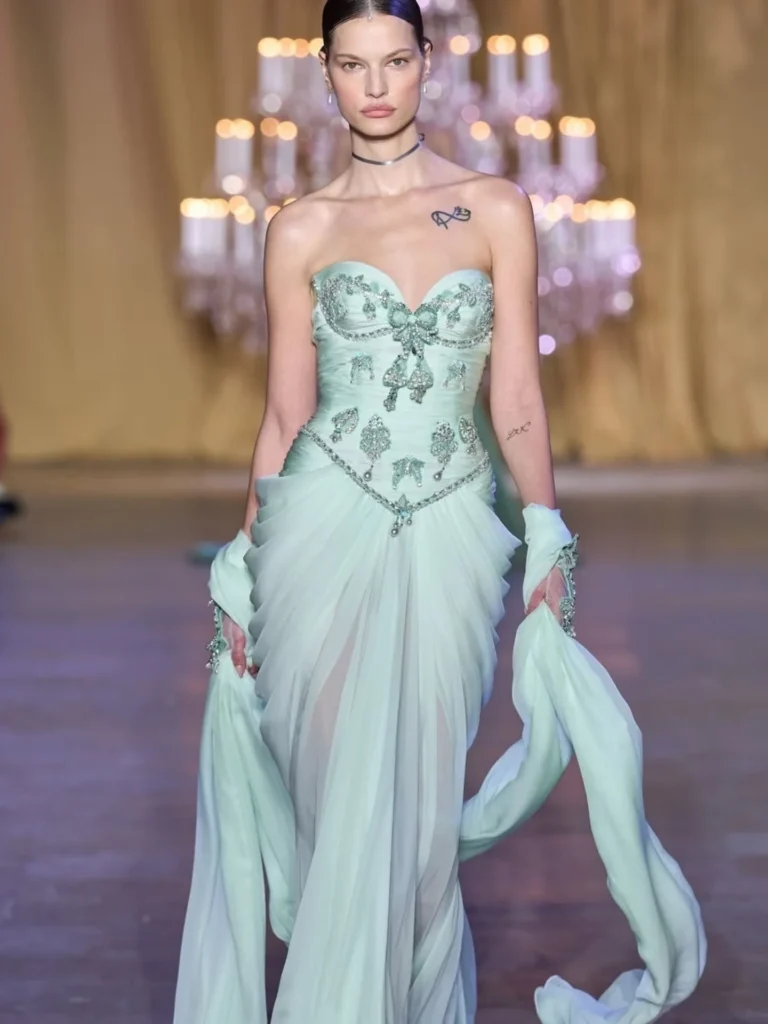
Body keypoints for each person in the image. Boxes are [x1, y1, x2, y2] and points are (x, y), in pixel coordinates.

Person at [172, 3, 706, 1022]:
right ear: (326, 73)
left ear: (428, 64)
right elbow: (284, 414)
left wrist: (547, 532)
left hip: (456, 532)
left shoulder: (495, 207)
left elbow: (517, 398)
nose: (375, 87)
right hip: (319, 530)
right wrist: (242, 562)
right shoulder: (301, 228)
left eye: (394, 62)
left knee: (416, 823)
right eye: (352, 65)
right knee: (338, 800)